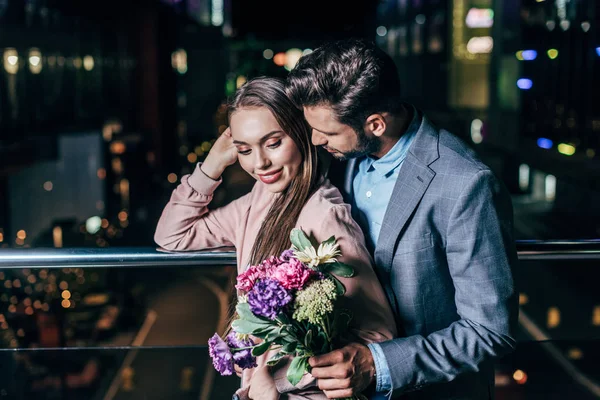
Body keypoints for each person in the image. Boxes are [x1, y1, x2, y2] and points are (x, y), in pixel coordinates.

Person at [285, 38, 519, 399]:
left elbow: (489, 330)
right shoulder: (346, 160)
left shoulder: (466, 184)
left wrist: (378, 364)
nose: (315, 140)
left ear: (375, 124)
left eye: (327, 132)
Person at [154, 76, 396, 399]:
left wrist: (280, 379)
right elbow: (172, 235)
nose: (259, 163)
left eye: (273, 143)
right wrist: (212, 165)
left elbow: (378, 336)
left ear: (302, 134)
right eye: (243, 149)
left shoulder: (326, 215)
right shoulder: (259, 201)